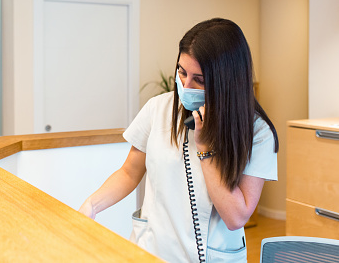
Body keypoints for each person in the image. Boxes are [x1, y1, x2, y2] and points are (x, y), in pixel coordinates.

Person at [79, 18, 279, 263]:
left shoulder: (258, 133)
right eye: (182, 72)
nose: (185, 86)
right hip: (153, 250)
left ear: (227, 81)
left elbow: (236, 217)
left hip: (213, 256)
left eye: (199, 80)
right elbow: (129, 172)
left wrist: (205, 148)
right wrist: (92, 204)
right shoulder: (158, 108)